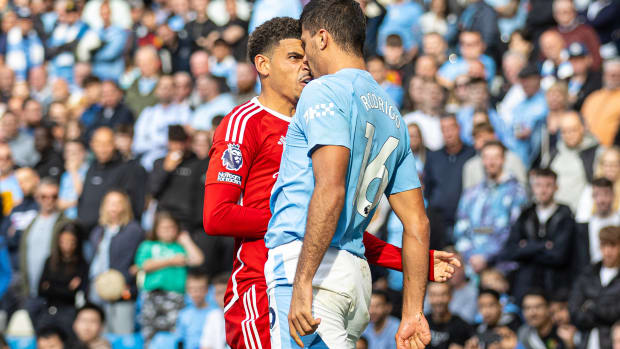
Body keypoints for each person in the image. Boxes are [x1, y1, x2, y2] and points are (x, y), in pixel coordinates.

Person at [203, 16, 457, 349]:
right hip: (260, 287)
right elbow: (216, 216)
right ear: (262, 65)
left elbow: (332, 221)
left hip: (314, 279)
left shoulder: (322, 121)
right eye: (294, 57)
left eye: (306, 57)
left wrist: (409, 260)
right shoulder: (244, 122)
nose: (305, 66)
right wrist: (300, 222)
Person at [264, 1, 430, 347]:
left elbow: (331, 188)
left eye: (306, 44)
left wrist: (303, 279)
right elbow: (416, 224)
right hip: (354, 274)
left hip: (312, 268)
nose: (305, 59)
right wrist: (413, 312)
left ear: (322, 38)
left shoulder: (323, 91)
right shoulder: (393, 114)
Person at [499, 168, 576, 302]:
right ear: (533, 188)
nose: (543, 190)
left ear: (556, 187)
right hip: (525, 286)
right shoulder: (525, 214)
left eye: (548, 185)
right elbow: (510, 250)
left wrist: (526, 247)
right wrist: (544, 246)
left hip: (555, 287)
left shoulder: (565, 215)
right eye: (538, 185)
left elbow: (559, 255)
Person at [454, 141, 527, 276]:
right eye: (486, 157)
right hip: (471, 266)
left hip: (503, 268)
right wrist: (471, 256)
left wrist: (486, 258)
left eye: (495, 157)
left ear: (503, 159)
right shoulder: (471, 193)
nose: (490, 162)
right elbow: (461, 228)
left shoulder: (517, 192)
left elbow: (514, 231)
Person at [135, 211, 204, 342]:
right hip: (152, 295)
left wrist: (186, 240)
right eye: (164, 227)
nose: (168, 231)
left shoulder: (180, 247)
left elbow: (198, 259)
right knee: (149, 333)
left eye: (171, 227)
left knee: (175, 332)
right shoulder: (148, 246)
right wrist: (171, 261)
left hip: (175, 296)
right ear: (156, 229)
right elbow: (144, 265)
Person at [87, 190, 143, 334]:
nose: (113, 207)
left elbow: (139, 259)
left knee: (122, 334)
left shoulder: (133, 230)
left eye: (118, 203)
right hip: (97, 288)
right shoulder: (98, 231)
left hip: (122, 289)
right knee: (100, 335)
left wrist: (129, 276)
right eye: (110, 203)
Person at [78, 127, 146, 233]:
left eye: (107, 144)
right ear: (92, 145)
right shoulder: (91, 167)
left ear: (114, 144)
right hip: (85, 232)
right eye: (99, 144)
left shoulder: (128, 169)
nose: (102, 148)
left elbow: (134, 206)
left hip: (111, 234)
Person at [149, 125, 209, 232]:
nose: (178, 147)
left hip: (187, 221)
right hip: (164, 218)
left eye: (181, 142)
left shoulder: (197, 163)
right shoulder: (159, 163)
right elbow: (153, 191)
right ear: (168, 142)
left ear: (187, 142)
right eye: (174, 142)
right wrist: (166, 170)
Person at [19, 179, 70, 303]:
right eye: (44, 196)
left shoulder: (66, 224)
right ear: (37, 197)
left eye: (54, 196)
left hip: (55, 292)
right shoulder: (31, 223)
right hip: (31, 290)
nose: (49, 200)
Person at [569, 226, 620, 349]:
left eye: (612, 245)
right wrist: (604, 313)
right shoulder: (587, 274)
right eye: (603, 246)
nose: (607, 252)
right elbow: (574, 311)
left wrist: (591, 307)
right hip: (585, 340)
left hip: (613, 342)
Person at [423, 115, 476, 231]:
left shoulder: (472, 154)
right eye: (444, 129)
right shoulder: (433, 157)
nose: (448, 133)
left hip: (465, 219)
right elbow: (428, 189)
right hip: (438, 221)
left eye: (451, 128)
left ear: (459, 128)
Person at [132, 75, 192, 171]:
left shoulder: (183, 112)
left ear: (175, 90)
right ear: (156, 91)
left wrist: (152, 140)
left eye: (169, 87)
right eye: (162, 87)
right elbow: (137, 145)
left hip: (174, 164)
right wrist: (164, 143)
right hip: (147, 164)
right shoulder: (148, 113)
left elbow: (182, 141)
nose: (165, 90)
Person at [37, 223, 88, 335]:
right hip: (49, 309)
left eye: (72, 241)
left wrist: (51, 286)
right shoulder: (50, 261)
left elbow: (80, 292)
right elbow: (40, 290)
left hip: (69, 312)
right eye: (63, 241)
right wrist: (67, 288)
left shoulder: (81, 264)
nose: (67, 245)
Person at [549, 111, 601, 212]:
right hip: (557, 215)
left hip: (582, 214)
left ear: (583, 128)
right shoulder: (554, 153)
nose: (569, 135)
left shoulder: (596, 152)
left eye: (573, 130)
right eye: (564, 131)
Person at [462, 123, 527, 190]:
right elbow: (468, 195)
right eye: (478, 137)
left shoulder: (512, 158)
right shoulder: (470, 166)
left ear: (494, 136)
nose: (483, 139)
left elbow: (523, 187)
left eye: (486, 135)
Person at [553, 0, 602, 71]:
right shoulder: (552, 34)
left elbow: (596, 58)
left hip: (585, 74)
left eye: (566, 12)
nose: (563, 16)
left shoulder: (586, 31)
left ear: (574, 12)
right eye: (559, 12)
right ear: (555, 15)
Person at [582, 58, 620, 147]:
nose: (612, 77)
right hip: (587, 151)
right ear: (604, 75)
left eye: (616, 74)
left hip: (612, 152)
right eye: (609, 74)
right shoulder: (592, 98)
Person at [576, 148, 620, 223]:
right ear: (600, 166)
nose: (610, 168)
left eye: (614, 164)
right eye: (606, 164)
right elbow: (582, 218)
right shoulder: (590, 189)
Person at [403, 79, 448, 151]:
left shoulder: (449, 120)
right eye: (430, 92)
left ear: (442, 96)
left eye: (437, 92)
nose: (434, 95)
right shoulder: (408, 119)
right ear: (421, 95)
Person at [426, 282, 474, 349]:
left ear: (451, 296)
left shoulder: (462, 326)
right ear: (428, 297)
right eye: (434, 295)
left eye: (443, 294)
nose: (439, 300)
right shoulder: (421, 324)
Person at [175, 269, 211, 349]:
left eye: (200, 289)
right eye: (192, 289)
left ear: (207, 290)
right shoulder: (183, 314)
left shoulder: (215, 313)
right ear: (187, 290)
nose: (196, 293)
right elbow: (180, 341)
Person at [57, 140, 88, 219]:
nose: (70, 155)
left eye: (74, 152)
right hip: (65, 217)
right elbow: (60, 203)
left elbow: (83, 197)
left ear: (82, 154)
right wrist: (73, 202)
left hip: (81, 217)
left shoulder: (89, 171)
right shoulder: (65, 175)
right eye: (67, 152)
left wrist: (74, 172)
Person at [566, 42, 602, 111]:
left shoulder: (598, 80)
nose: (576, 62)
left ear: (588, 59)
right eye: (573, 59)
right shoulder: (565, 80)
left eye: (580, 58)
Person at [199, 273, 229, 349]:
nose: (223, 297)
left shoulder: (245, 315)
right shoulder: (212, 316)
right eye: (219, 293)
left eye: (225, 291)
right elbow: (206, 346)